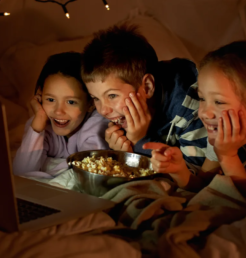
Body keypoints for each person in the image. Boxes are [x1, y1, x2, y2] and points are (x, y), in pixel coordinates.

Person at [81, 23, 207, 172]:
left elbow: (193, 174)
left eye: (112, 95)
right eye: (95, 98)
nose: (103, 110)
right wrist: (125, 152)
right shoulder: (120, 112)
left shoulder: (191, 105)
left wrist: (139, 142)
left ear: (147, 87)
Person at [144, 41, 246, 192]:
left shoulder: (225, 145)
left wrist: (228, 156)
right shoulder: (221, 138)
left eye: (219, 102)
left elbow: (240, 202)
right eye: (202, 99)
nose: (205, 112)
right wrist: (180, 171)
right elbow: (202, 188)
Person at [13, 52, 109, 178]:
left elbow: (87, 170)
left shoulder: (97, 123)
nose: (58, 111)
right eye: (50, 100)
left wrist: (44, 171)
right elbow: (20, 173)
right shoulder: (40, 123)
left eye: (71, 102)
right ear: (40, 96)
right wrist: (39, 120)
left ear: (90, 103)